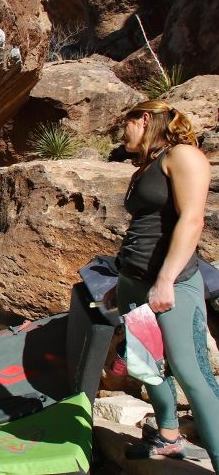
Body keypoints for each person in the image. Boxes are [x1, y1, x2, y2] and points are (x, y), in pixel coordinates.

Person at [108, 99, 218, 470]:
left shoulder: (184, 156)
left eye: (126, 125)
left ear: (143, 119)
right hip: (134, 283)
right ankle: (168, 438)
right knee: (146, 365)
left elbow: (191, 221)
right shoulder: (145, 168)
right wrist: (120, 276)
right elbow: (142, 228)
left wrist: (166, 280)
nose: (122, 134)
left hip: (172, 284)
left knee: (191, 373)